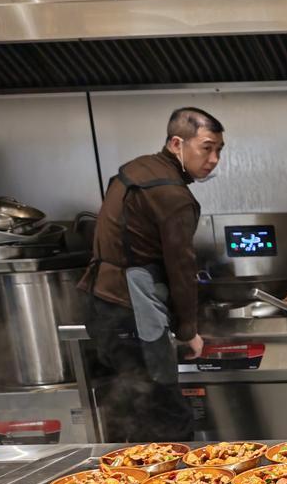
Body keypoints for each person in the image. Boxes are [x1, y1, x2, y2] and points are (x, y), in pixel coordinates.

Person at [79, 107, 224, 441]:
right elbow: (181, 267)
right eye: (206, 148)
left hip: (100, 306)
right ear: (176, 143)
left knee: (126, 412)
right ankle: (174, 475)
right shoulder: (173, 196)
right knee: (168, 419)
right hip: (133, 313)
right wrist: (188, 330)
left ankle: (127, 472)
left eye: (219, 150)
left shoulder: (134, 170)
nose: (214, 159)